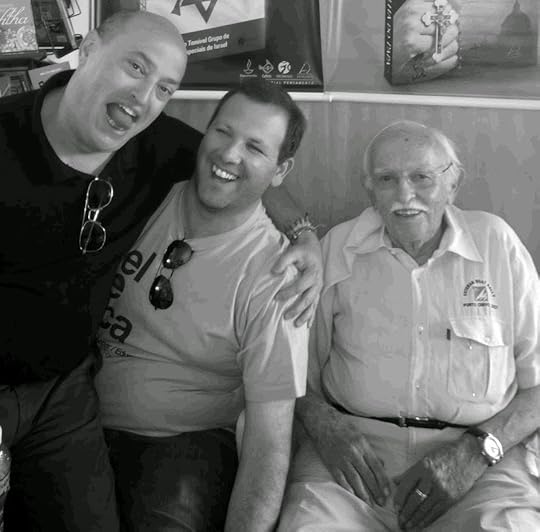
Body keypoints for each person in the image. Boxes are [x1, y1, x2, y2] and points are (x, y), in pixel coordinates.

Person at [0, 10, 322, 531]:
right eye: (135, 66)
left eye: (165, 89)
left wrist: (305, 235)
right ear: (88, 50)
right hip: (65, 403)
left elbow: (269, 442)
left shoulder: (154, 148)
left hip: (100, 415)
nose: (143, 96)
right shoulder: (148, 171)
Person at [278, 121, 540, 531]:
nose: (404, 195)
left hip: (480, 464)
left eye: (422, 177)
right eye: (387, 179)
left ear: (453, 184)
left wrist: (476, 451)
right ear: (369, 190)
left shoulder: (497, 245)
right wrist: (324, 425)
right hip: (353, 461)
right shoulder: (337, 250)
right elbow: (288, 371)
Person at [95, 79, 309, 532]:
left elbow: (269, 444)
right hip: (75, 423)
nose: (229, 154)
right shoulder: (144, 193)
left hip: (183, 449)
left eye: (255, 147)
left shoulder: (276, 278)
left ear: (281, 170)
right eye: (222, 132)